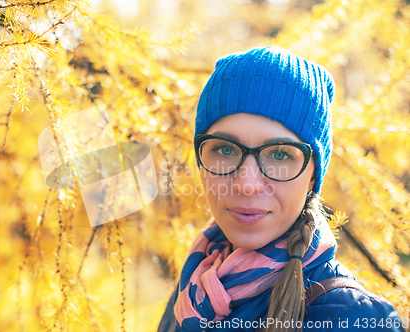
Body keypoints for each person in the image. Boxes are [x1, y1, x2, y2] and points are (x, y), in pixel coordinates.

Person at [157, 46, 406, 332]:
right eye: (225, 149)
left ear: (313, 176)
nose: (247, 184)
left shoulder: (354, 320)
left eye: (279, 155)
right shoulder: (194, 284)